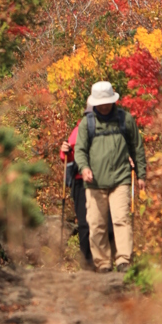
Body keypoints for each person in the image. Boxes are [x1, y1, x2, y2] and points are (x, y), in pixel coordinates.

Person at [74, 80, 146, 273]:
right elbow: (80, 150)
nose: (104, 106)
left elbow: (137, 147)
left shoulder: (125, 119)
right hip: (94, 182)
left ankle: (123, 260)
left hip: (121, 179)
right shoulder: (86, 124)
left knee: (121, 219)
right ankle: (103, 263)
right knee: (96, 223)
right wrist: (84, 168)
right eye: (101, 103)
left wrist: (141, 174)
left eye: (107, 102)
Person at [60, 107, 115, 270]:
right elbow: (68, 156)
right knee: (85, 224)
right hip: (81, 182)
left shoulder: (110, 129)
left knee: (107, 222)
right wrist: (65, 152)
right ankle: (88, 263)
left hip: (104, 182)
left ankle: (106, 261)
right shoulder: (78, 130)